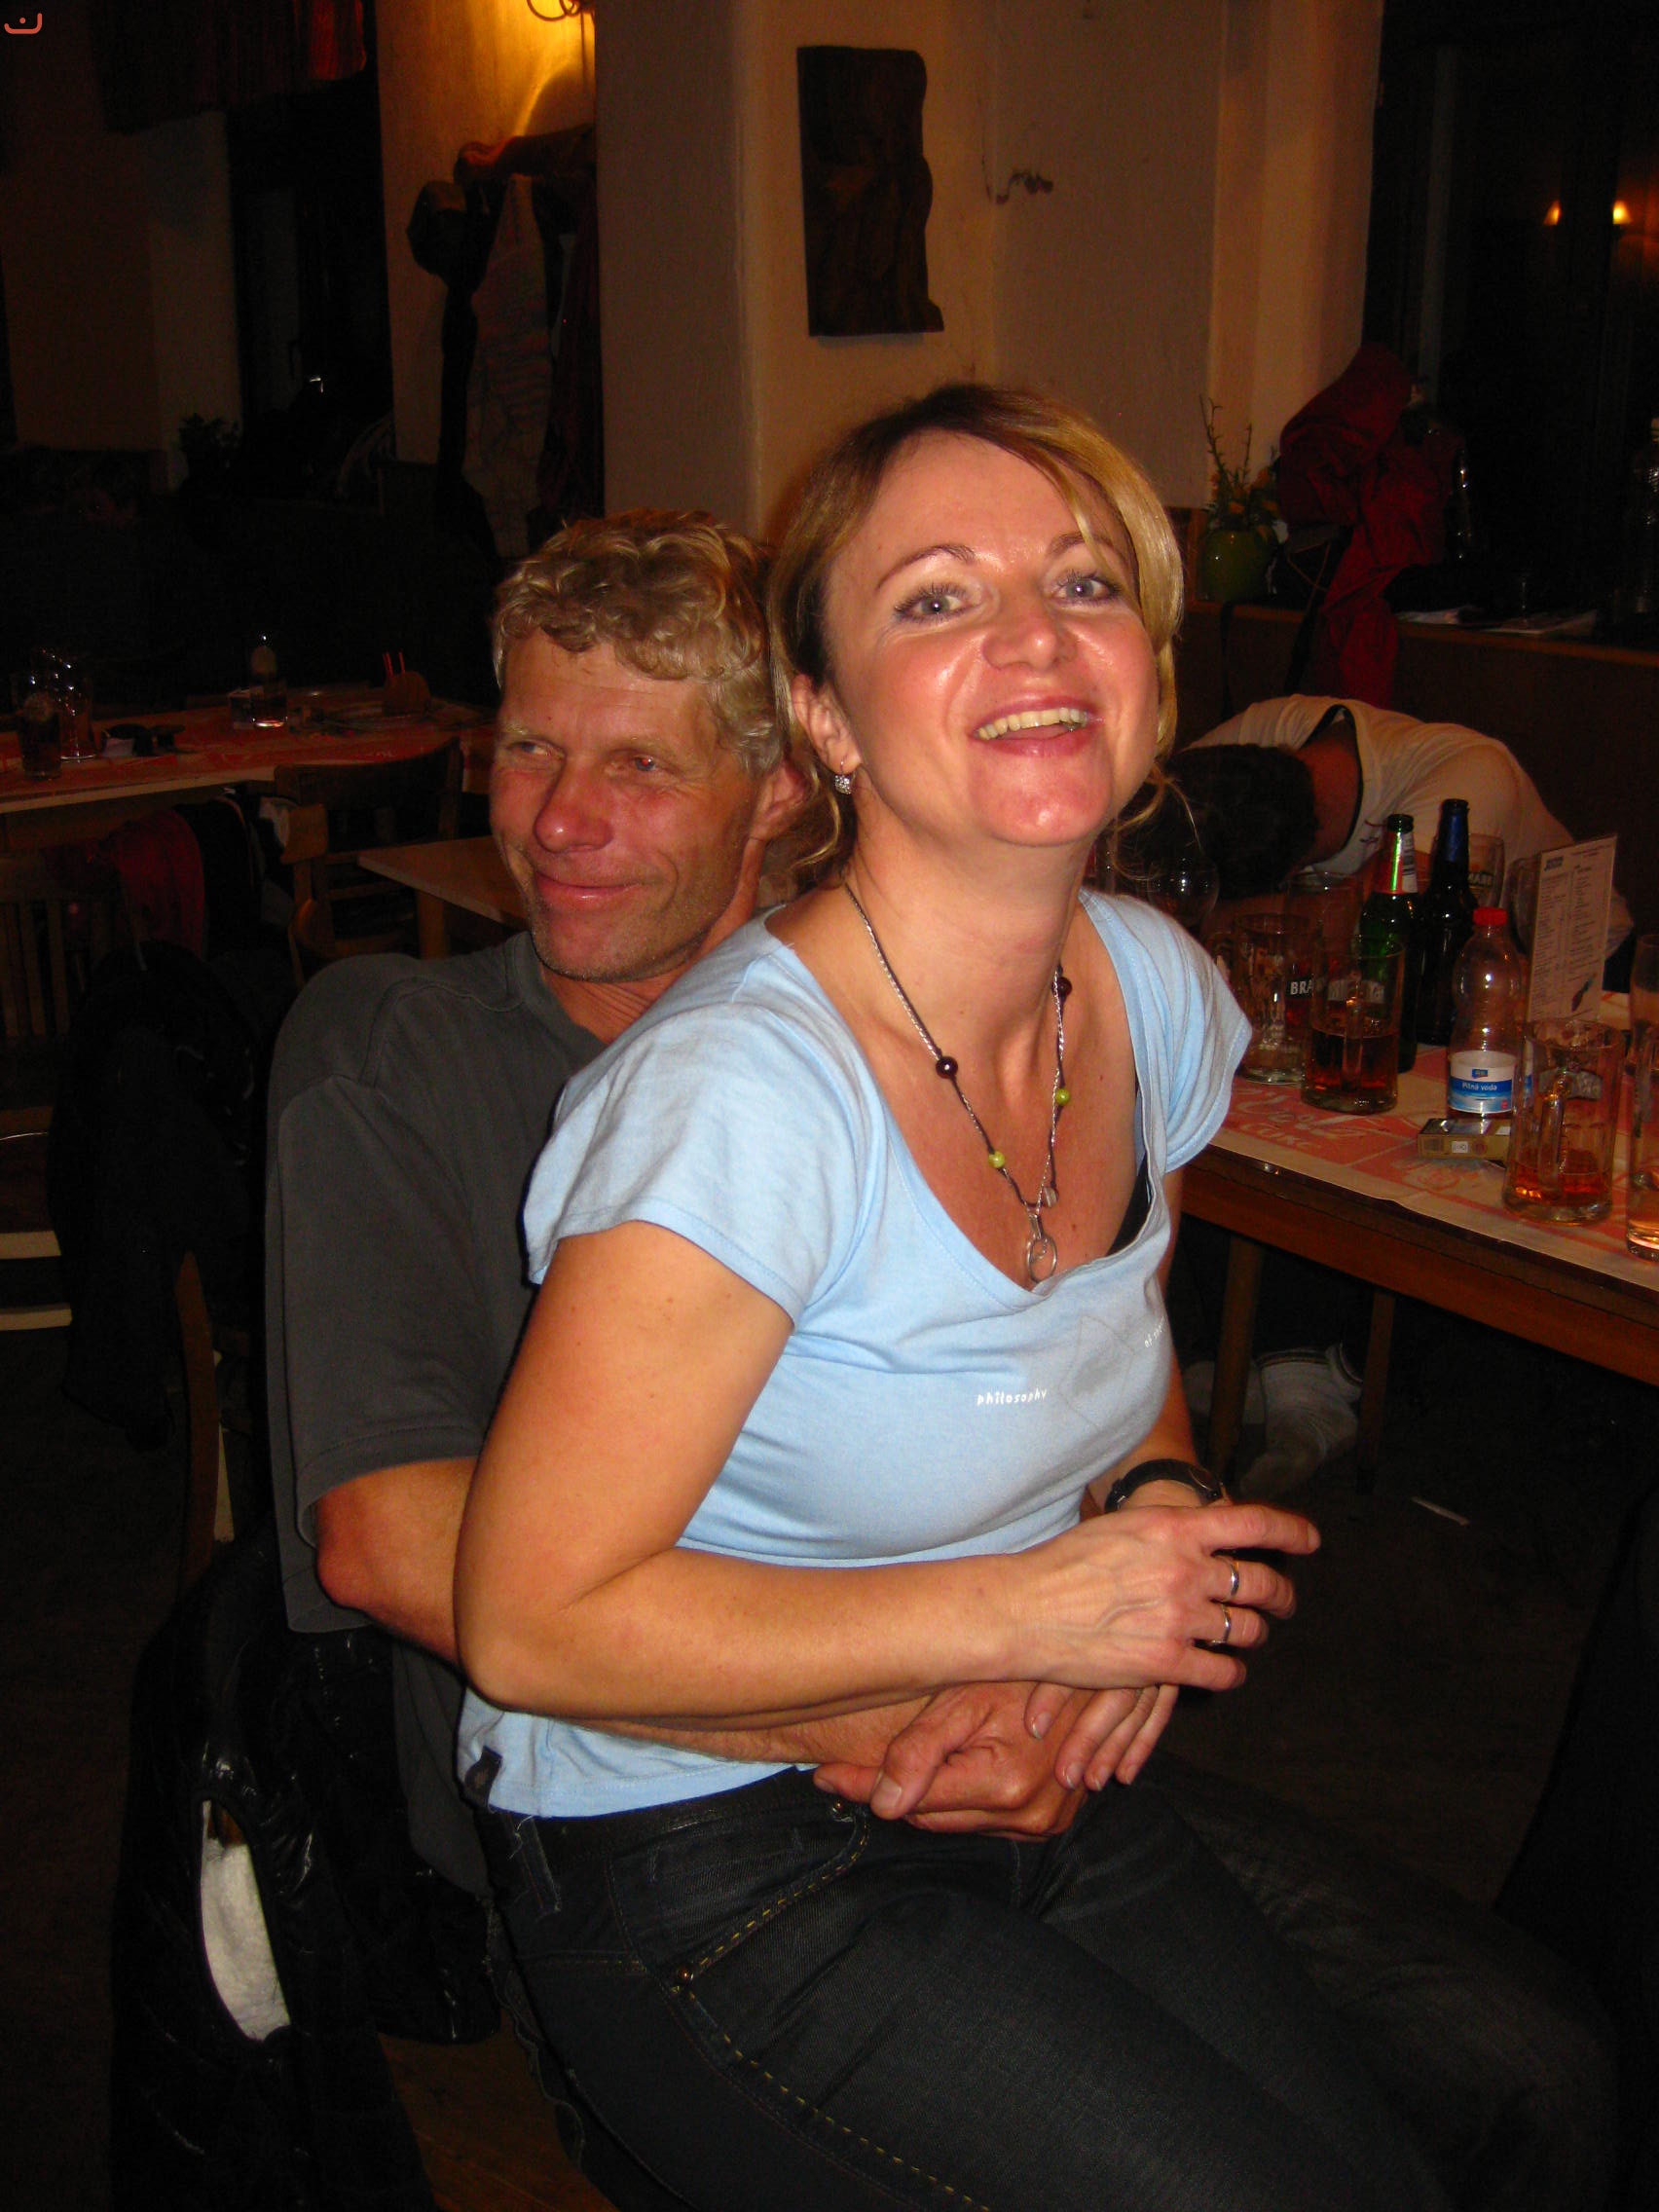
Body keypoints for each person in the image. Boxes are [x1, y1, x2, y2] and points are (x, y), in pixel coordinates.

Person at [273, 493, 1608, 2210]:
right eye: (527, 747)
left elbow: (1101, 1368)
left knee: (1533, 2070)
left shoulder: (976, 1017)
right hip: (667, 1814)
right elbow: (392, 1546)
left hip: (984, 1742)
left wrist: (1139, 1537)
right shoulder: (407, 1052)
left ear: (781, 780)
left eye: (640, 765)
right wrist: (956, 1692)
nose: (559, 820)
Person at [1172, 692, 1634, 957]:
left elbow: (1357, 919)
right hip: (1445, 966)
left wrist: (1197, 914)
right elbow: (1148, 804)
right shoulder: (1264, 728)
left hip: (1588, 974)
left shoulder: (1470, 779)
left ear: (1291, 870)